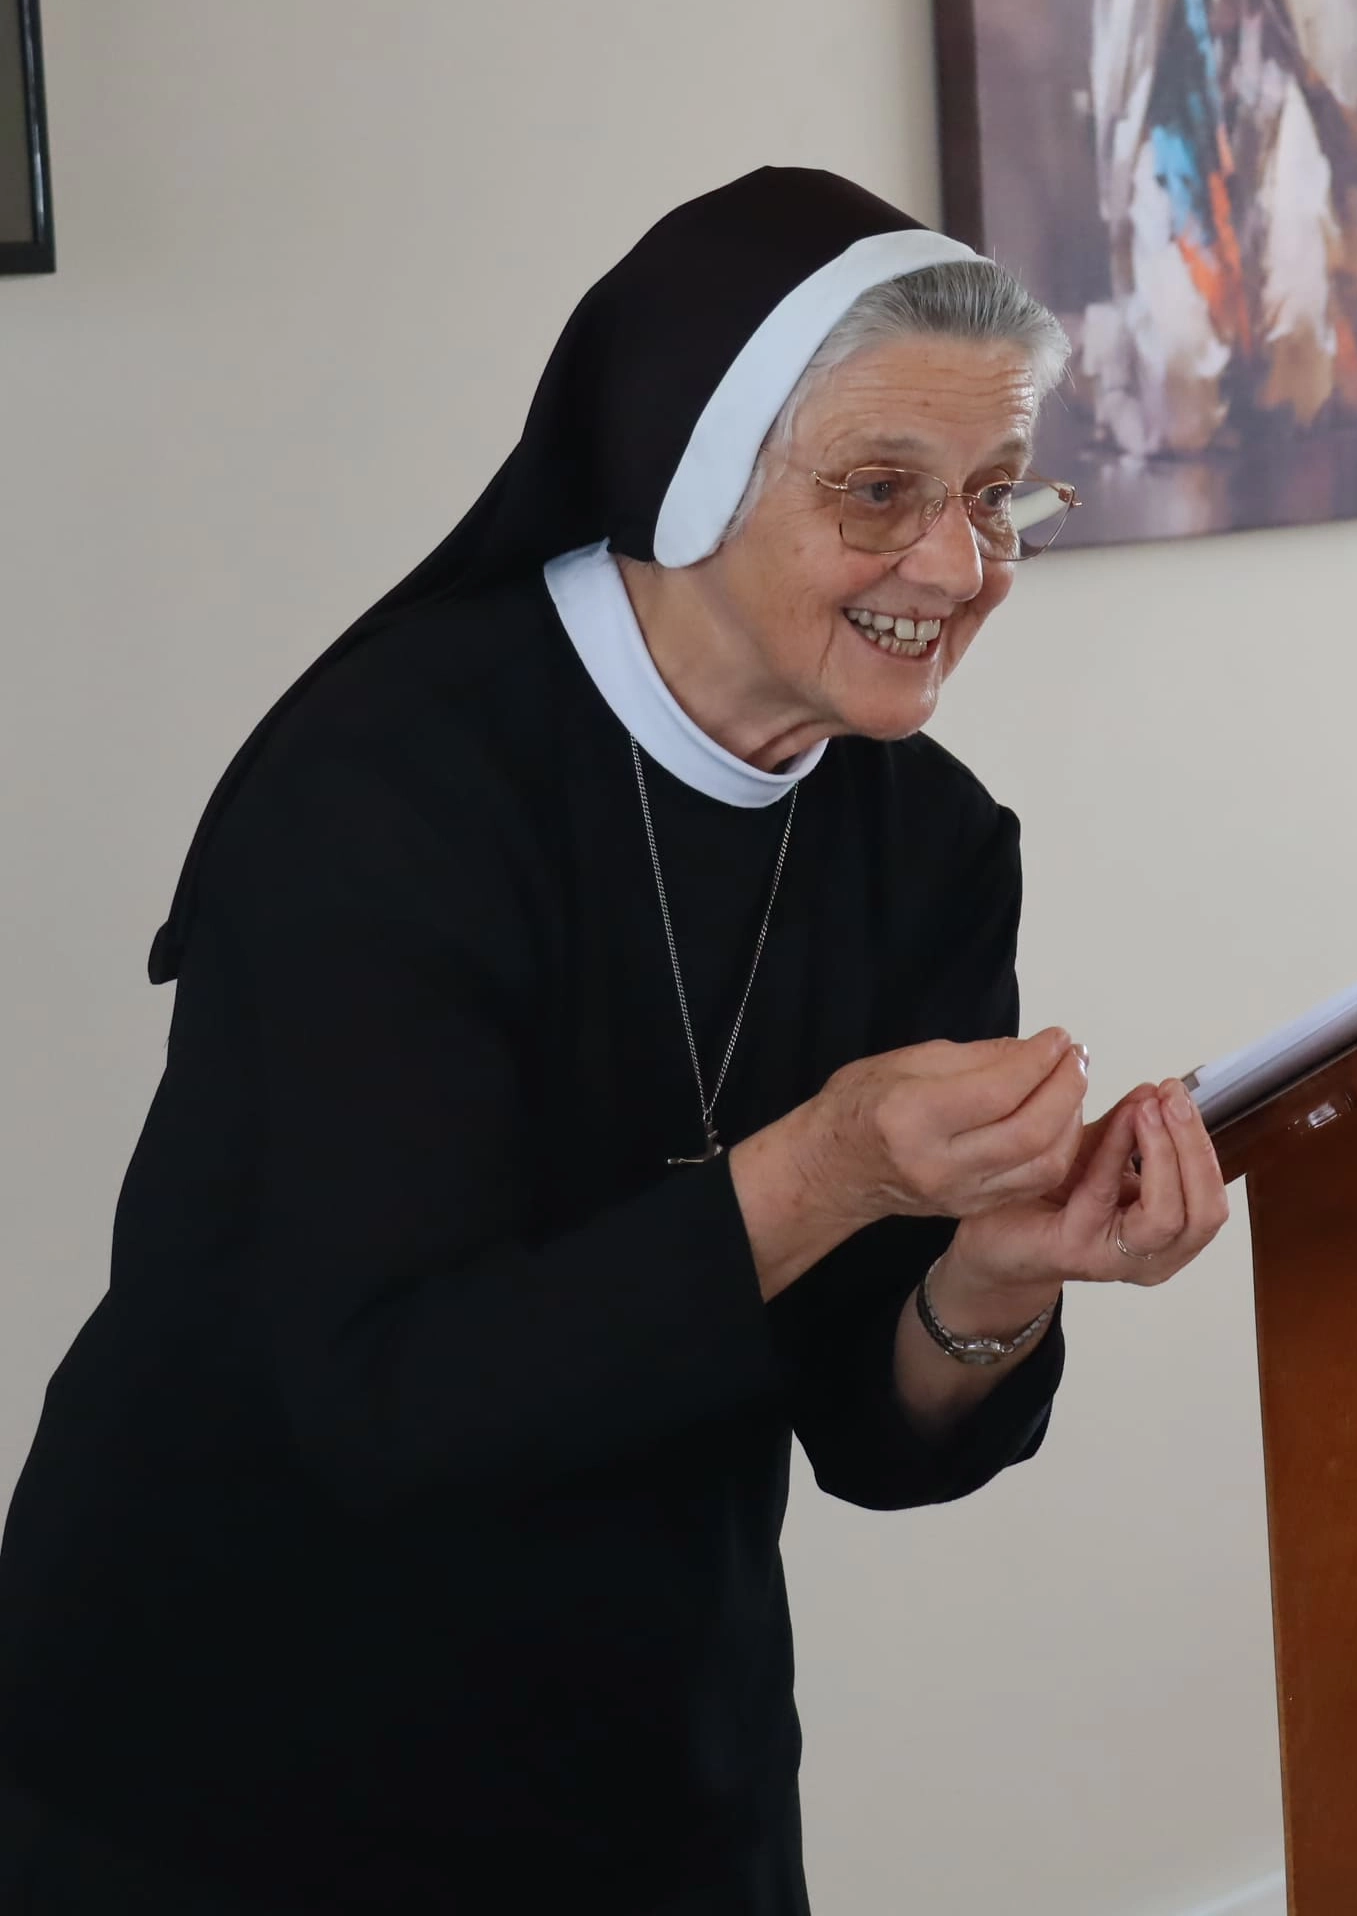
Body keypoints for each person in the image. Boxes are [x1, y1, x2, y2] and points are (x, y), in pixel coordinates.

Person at [0, 169, 1228, 1914]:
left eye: (997, 498)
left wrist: (998, 1279)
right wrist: (828, 1164)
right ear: (690, 468)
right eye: (883, 491)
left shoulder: (927, 838)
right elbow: (390, 1404)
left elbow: (869, 1433)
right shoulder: (387, 788)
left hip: (650, 1762)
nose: (957, 568)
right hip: (222, 1759)